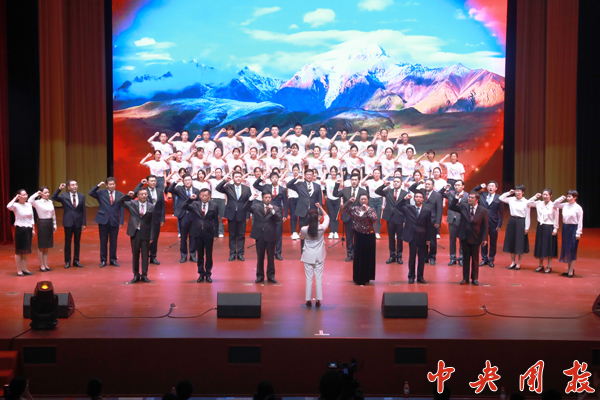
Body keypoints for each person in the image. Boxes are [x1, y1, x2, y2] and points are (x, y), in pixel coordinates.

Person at [118, 188, 159, 283]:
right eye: (142, 194)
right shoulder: (132, 204)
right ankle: (136, 274)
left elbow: (154, 223)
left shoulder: (151, 206)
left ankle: (144, 275)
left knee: (145, 255)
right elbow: (119, 202)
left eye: (145, 194)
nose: (144, 196)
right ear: (138, 196)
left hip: (146, 233)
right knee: (135, 254)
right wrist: (127, 195)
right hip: (135, 233)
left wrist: (152, 236)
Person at [448, 191, 488, 285]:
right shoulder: (463, 206)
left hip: (476, 237)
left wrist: (485, 238)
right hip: (464, 237)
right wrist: (457, 198)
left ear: (476, 199)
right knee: (465, 259)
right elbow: (451, 207)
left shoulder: (483, 210)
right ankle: (465, 278)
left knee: (475, 259)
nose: (469, 199)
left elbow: (485, 226)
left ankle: (474, 278)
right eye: (469, 197)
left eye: (472, 198)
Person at [245, 192, 282, 283]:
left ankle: (271, 276)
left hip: (270, 235)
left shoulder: (275, 208)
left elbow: (279, 219)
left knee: (271, 257)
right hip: (259, 235)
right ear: (262, 198)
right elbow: (245, 208)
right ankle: (260, 276)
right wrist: (250, 199)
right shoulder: (257, 206)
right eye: (266, 197)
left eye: (269, 197)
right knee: (260, 257)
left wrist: (272, 211)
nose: (268, 199)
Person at [182, 189, 219, 282]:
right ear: (200, 196)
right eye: (203, 195)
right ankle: (201, 273)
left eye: (206, 195)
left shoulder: (214, 205)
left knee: (209, 254)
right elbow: (184, 206)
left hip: (209, 232)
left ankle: (208, 273)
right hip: (197, 232)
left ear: (209, 196)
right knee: (200, 254)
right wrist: (190, 199)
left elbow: (216, 221)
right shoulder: (195, 204)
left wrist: (216, 234)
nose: (204, 197)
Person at [396, 191, 432, 284]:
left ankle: (420, 277)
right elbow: (397, 206)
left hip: (422, 237)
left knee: (421, 258)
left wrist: (428, 239)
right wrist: (404, 199)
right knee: (412, 257)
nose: (418, 198)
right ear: (414, 198)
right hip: (412, 236)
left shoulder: (427, 210)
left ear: (423, 199)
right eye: (416, 197)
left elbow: (429, 225)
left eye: (420, 197)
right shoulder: (409, 208)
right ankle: (411, 276)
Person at [89, 178, 125, 267]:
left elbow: (122, 208)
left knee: (113, 241)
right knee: (103, 241)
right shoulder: (101, 193)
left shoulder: (120, 194)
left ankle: (113, 260)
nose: (112, 186)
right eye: (110, 184)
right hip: (103, 220)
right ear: (107, 185)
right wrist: (98, 186)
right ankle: (103, 260)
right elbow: (91, 193)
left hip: (114, 220)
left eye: (113, 184)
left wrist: (121, 220)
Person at [217, 171, 252, 260]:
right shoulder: (228, 187)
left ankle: (240, 253)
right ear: (233, 178)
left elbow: (249, 203)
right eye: (236, 177)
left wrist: (248, 215)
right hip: (231, 214)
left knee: (241, 235)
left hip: (242, 214)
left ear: (242, 178)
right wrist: (225, 180)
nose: (238, 178)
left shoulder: (247, 189)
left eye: (239, 176)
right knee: (232, 235)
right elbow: (218, 188)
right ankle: (232, 253)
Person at [342, 194, 377, 285]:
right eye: (362, 199)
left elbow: (374, 219)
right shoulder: (355, 209)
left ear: (368, 200)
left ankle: (367, 277)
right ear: (359, 200)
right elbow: (344, 209)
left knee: (367, 257)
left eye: (365, 199)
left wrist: (366, 211)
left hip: (368, 236)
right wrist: (350, 201)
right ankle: (358, 277)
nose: (363, 200)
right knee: (358, 257)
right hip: (358, 235)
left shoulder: (371, 210)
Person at [334, 173, 369, 261]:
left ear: (358, 181)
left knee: (358, 238)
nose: (354, 181)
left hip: (359, 218)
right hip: (347, 217)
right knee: (349, 237)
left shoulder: (363, 191)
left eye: (355, 179)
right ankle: (350, 254)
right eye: (352, 179)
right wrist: (337, 184)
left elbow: (366, 203)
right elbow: (335, 194)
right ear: (350, 180)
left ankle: (358, 255)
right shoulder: (345, 189)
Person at [253, 171, 288, 260]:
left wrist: (285, 214)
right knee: (269, 232)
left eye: (276, 177)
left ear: (278, 179)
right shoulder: (266, 187)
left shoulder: (283, 189)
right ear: (270, 179)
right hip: (268, 212)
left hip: (278, 213)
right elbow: (255, 184)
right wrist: (261, 178)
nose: (274, 179)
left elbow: (285, 202)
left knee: (278, 233)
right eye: (272, 178)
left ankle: (278, 253)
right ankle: (270, 252)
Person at [300, 203, 329, 307]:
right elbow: (327, 217)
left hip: (308, 255)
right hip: (319, 256)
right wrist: (320, 207)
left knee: (308, 278)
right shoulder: (322, 228)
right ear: (318, 218)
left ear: (309, 217)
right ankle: (318, 300)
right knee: (318, 278)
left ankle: (308, 300)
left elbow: (301, 237)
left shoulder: (304, 229)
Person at [52, 180, 86, 269]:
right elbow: (54, 197)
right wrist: (59, 189)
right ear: (68, 187)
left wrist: (84, 223)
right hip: (68, 222)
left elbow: (83, 210)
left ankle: (76, 260)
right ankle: (67, 261)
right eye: (73, 185)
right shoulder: (64, 196)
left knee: (77, 242)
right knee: (67, 242)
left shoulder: (82, 196)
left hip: (78, 222)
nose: (75, 186)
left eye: (76, 184)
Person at [286, 169, 323, 249]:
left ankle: (313, 250)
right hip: (303, 213)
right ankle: (303, 250)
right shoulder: (300, 184)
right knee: (303, 234)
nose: (309, 176)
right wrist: (296, 178)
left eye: (311, 174)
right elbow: (288, 185)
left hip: (313, 213)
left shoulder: (317, 186)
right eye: (307, 174)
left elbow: (320, 200)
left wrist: (320, 213)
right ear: (305, 176)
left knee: (313, 233)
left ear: (313, 176)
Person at [168, 174, 200, 263]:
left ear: (191, 180)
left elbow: (199, 202)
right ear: (183, 182)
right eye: (185, 180)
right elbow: (169, 190)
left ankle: (193, 255)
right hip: (183, 215)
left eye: (189, 180)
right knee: (183, 237)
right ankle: (183, 256)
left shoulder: (196, 190)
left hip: (193, 215)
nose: (187, 182)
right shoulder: (179, 189)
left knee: (193, 237)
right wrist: (175, 182)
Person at [376, 175, 407, 264]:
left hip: (400, 218)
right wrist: (384, 185)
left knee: (400, 238)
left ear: (401, 183)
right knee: (391, 238)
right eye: (394, 181)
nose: (395, 183)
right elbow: (377, 191)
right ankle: (392, 256)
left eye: (397, 182)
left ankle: (399, 256)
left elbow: (407, 208)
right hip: (390, 217)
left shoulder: (405, 193)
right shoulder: (388, 191)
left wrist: (405, 220)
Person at [134, 175, 165, 265]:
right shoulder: (144, 191)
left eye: (154, 181)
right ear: (147, 182)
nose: (153, 182)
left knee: (155, 238)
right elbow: (134, 193)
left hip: (156, 218)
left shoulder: (159, 191)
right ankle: (145, 257)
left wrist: (162, 218)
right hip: (145, 218)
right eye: (151, 181)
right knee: (145, 238)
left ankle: (153, 257)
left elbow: (162, 205)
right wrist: (141, 183)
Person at [472, 181, 503, 267]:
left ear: (496, 188)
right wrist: (479, 186)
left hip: (493, 223)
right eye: (489, 186)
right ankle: (484, 259)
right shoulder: (482, 195)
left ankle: (491, 259)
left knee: (493, 243)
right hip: (482, 223)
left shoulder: (499, 198)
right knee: (483, 242)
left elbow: (501, 213)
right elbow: (472, 192)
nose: (490, 187)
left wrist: (499, 224)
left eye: (492, 186)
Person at [412, 178, 443, 265]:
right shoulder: (422, 192)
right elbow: (412, 189)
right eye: (426, 184)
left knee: (432, 241)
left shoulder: (438, 195)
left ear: (433, 185)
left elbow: (440, 209)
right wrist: (418, 183)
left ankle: (432, 257)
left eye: (429, 184)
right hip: (422, 221)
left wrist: (438, 221)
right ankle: (425, 257)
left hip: (432, 221)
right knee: (423, 240)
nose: (427, 185)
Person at [500, 185, 531, 270]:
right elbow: (501, 198)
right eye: (516, 191)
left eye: (519, 191)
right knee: (512, 242)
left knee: (520, 243)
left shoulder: (526, 202)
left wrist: (527, 227)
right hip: (512, 221)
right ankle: (513, 262)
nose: (517, 193)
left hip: (521, 221)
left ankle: (519, 263)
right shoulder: (512, 199)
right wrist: (509, 193)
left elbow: (528, 216)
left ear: (523, 192)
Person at [528, 189, 559, 273]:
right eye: (543, 194)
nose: (544, 196)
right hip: (541, 226)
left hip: (549, 227)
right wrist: (535, 196)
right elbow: (528, 203)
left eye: (546, 195)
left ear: (550, 196)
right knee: (540, 245)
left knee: (549, 246)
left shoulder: (554, 205)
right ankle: (540, 265)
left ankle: (549, 266)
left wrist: (555, 228)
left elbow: (556, 218)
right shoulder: (539, 203)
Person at [554, 190, 583, 278]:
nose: (568, 198)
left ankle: (571, 270)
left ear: (575, 197)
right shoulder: (565, 205)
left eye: (570, 196)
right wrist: (561, 198)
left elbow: (580, 221)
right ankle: (568, 269)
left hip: (573, 228)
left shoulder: (578, 208)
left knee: (572, 250)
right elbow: (555, 204)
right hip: (565, 228)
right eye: (568, 196)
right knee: (566, 249)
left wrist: (578, 233)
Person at [28, 187, 56, 272]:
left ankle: (46, 264)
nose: (47, 194)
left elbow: (53, 214)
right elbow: (29, 200)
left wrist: (54, 224)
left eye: (48, 192)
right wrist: (37, 194)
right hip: (42, 223)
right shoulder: (37, 202)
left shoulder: (50, 202)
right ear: (41, 194)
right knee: (41, 245)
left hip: (49, 222)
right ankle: (41, 264)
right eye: (45, 192)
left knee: (47, 245)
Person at [7, 190, 35, 276]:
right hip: (20, 229)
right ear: (19, 196)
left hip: (28, 229)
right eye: (23, 195)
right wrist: (15, 198)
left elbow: (32, 218)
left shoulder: (29, 205)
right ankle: (19, 269)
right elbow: (8, 206)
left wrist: (33, 229)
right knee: (19, 251)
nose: (26, 196)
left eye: (26, 194)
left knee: (25, 250)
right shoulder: (15, 205)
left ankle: (24, 268)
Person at [440, 180, 467, 266]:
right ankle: (453, 258)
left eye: (458, 185)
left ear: (463, 186)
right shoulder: (451, 193)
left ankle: (462, 258)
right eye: (455, 185)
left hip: (462, 221)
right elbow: (440, 193)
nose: (456, 187)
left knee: (462, 241)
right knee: (452, 241)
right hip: (452, 220)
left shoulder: (467, 196)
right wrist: (445, 188)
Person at [360, 170, 384, 238]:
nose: (376, 174)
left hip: (379, 200)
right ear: (373, 174)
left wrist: (383, 204)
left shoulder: (382, 182)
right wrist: (367, 175)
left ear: (380, 174)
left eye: (378, 173)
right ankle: (372, 232)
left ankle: (377, 232)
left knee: (378, 217)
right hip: (371, 200)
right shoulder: (370, 181)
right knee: (371, 217)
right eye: (375, 173)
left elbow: (384, 194)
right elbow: (361, 182)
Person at [321, 166, 341, 238]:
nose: (333, 173)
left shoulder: (339, 180)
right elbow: (321, 181)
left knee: (336, 217)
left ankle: (335, 232)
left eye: (334, 172)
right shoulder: (327, 181)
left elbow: (341, 191)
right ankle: (331, 232)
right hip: (329, 201)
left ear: (337, 172)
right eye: (332, 172)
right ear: (330, 172)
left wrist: (341, 200)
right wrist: (324, 173)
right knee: (331, 216)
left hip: (337, 200)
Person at [208, 168, 226, 237]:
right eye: (217, 172)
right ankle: (213, 231)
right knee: (213, 217)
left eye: (219, 172)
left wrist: (226, 201)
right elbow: (205, 179)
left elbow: (226, 193)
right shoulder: (212, 180)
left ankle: (221, 232)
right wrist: (211, 173)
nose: (218, 174)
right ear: (215, 174)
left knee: (221, 217)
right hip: (214, 199)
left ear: (221, 173)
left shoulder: (223, 181)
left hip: (222, 199)